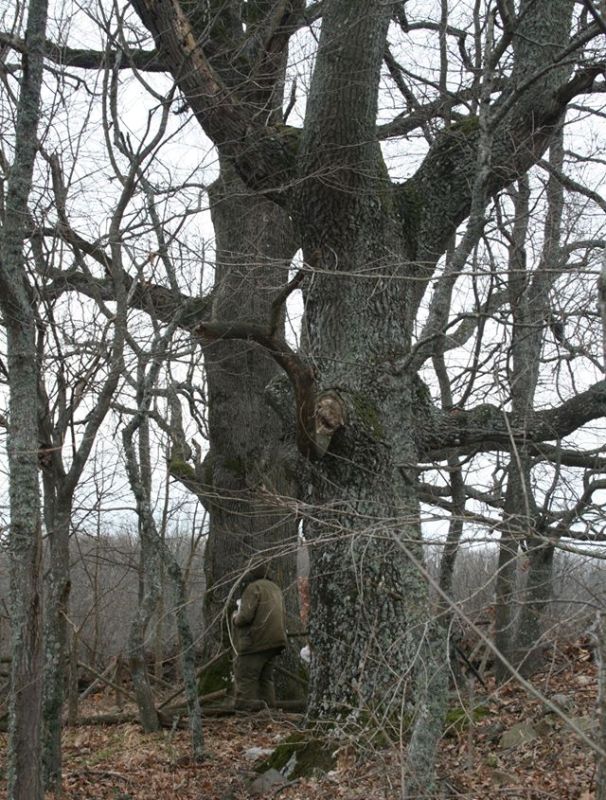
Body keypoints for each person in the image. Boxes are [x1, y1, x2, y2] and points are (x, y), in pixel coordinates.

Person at [231, 564, 287, 710]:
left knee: (245, 677)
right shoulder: (275, 588)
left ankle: (245, 715)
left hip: (256, 641)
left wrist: (234, 617)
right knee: (265, 679)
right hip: (275, 641)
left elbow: (244, 618)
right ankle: (269, 712)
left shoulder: (254, 588)